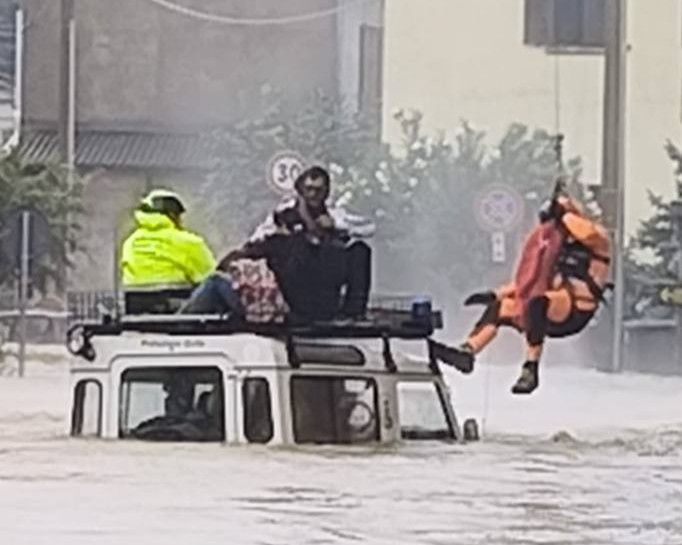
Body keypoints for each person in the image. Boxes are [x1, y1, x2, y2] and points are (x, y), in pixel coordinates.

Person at [438, 188, 611, 395]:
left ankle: (531, 367)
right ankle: (469, 351)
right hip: (548, 308)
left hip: (575, 310)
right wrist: (495, 294)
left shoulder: (598, 240)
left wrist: (564, 212)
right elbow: (527, 280)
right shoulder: (555, 246)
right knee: (501, 307)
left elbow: (587, 233)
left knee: (538, 302)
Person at [192, 165, 375, 322]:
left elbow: (369, 228)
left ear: (326, 192)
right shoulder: (282, 226)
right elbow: (253, 246)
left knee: (215, 282)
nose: (312, 195)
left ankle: (178, 325)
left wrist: (335, 226)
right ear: (300, 191)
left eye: (318, 190)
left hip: (294, 313)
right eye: (308, 189)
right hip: (289, 307)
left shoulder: (338, 232)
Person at [121, 189, 217, 288]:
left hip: (136, 297)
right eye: (179, 216)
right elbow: (210, 276)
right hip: (177, 296)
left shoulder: (131, 242)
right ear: (172, 215)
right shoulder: (189, 242)